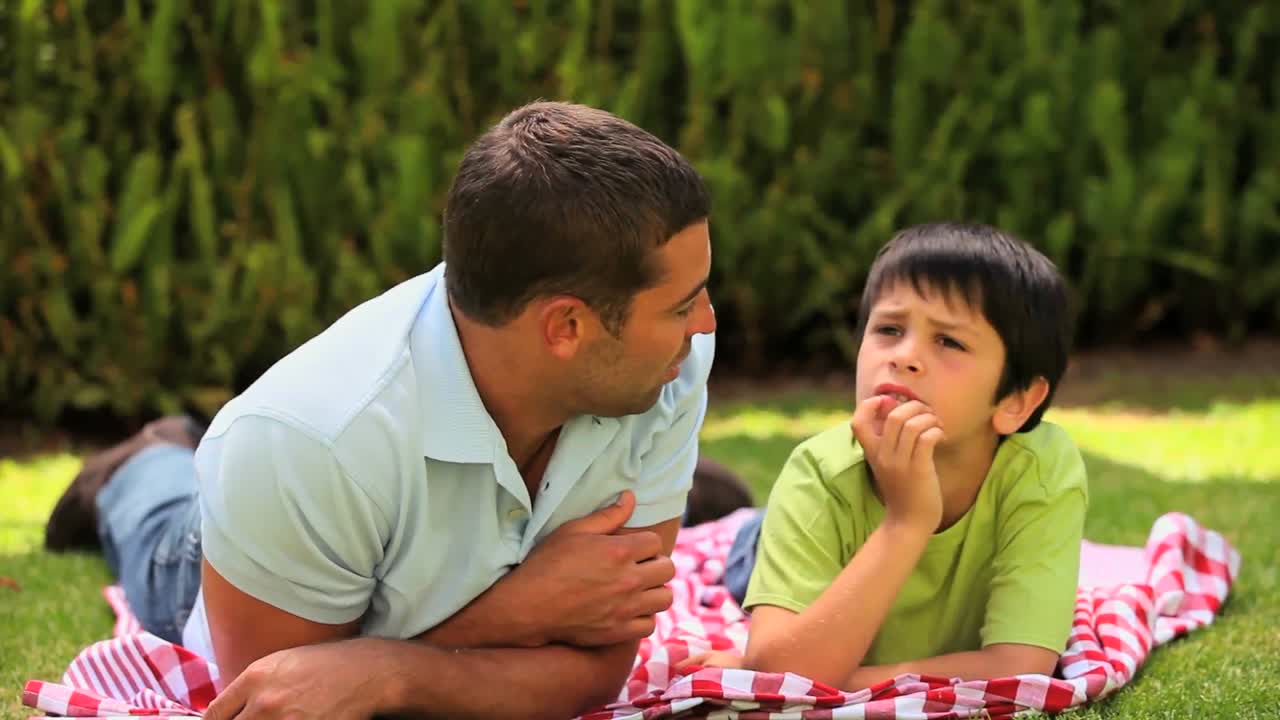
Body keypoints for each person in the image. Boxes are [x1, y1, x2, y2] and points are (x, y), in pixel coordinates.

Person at [44, 101, 743, 719]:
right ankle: (141, 462)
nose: (707, 323)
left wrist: (382, 670)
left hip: (371, 548)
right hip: (236, 551)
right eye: (682, 305)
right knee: (166, 528)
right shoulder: (306, 441)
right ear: (565, 328)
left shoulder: (672, 363)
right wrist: (518, 613)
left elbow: (596, 672)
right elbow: (289, 696)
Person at [686, 223, 1087, 690]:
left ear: (1016, 401)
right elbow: (780, 671)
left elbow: (1021, 667)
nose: (904, 355)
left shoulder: (1041, 470)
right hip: (790, 551)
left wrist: (852, 678)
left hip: (839, 586)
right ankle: (720, 509)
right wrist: (907, 521)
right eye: (889, 329)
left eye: (949, 341)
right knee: (743, 558)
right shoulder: (820, 471)